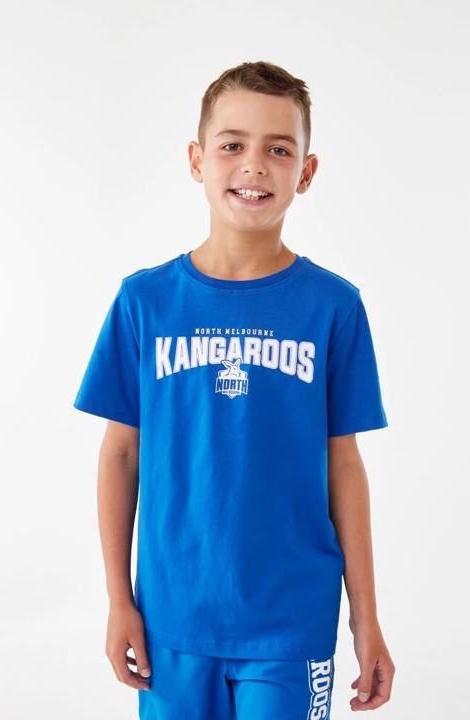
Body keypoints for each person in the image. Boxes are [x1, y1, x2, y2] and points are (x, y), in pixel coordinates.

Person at [73, 60, 396, 719]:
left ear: (306, 172)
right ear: (197, 160)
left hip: (290, 622)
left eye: (278, 149)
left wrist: (365, 619)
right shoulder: (144, 302)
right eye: (231, 144)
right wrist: (118, 599)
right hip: (171, 621)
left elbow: (344, 465)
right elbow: (120, 455)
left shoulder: (333, 308)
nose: (254, 165)